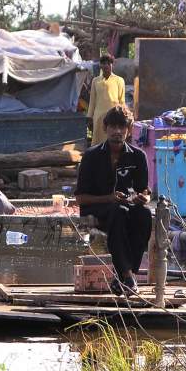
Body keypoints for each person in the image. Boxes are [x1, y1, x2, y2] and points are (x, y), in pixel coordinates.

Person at [74, 105, 152, 294]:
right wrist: (109, 198)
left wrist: (143, 198)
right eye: (113, 127)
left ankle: (126, 276)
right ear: (105, 128)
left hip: (125, 207)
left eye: (122, 127)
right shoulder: (91, 156)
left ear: (129, 129)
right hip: (98, 207)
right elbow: (80, 199)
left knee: (144, 215)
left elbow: (144, 191)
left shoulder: (138, 156)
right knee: (118, 213)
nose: (117, 132)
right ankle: (127, 275)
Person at [86, 54, 125, 147]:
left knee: (112, 140)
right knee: (97, 143)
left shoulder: (119, 80)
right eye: (103, 63)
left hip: (113, 116)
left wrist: (123, 115)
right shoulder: (95, 81)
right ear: (101, 66)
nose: (106, 65)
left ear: (112, 65)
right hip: (98, 117)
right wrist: (89, 117)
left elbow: (121, 100)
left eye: (108, 63)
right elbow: (92, 101)